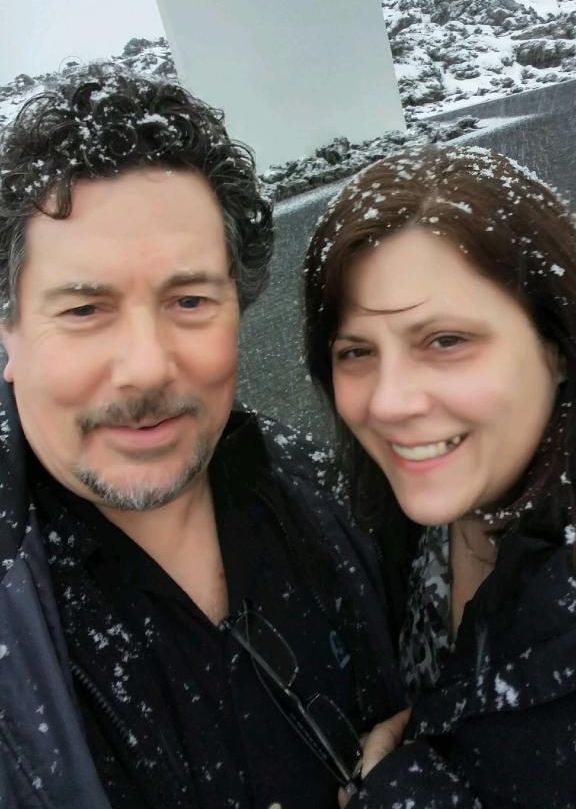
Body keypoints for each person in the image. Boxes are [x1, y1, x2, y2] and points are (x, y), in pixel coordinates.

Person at [0, 66, 402, 809]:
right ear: (9, 332)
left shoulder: (336, 497)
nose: (147, 367)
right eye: (85, 310)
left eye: (189, 300)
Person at [303, 144, 576, 809]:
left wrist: (396, 790)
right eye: (356, 352)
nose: (390, 401)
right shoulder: (395, 518)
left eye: (446, 341)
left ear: (558, 345)